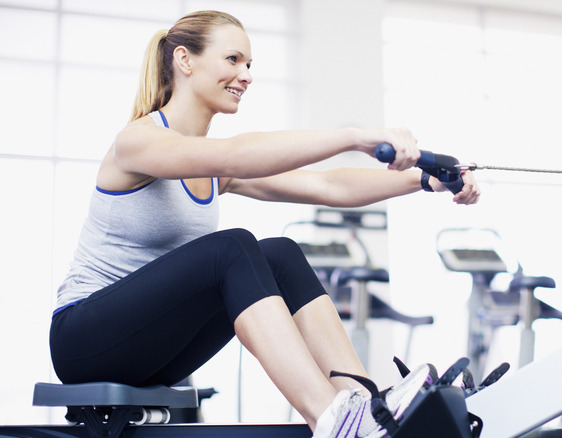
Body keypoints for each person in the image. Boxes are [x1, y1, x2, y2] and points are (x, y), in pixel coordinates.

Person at [48, 10, 480, 438]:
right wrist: (354, 136)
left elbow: (329, 186)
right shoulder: (137, 142)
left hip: (153, 350)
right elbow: (235, 153)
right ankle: (332, 417)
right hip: (83, 342)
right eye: (233, 60)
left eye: (249, 64)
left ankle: (364, 409)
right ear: (184, 60)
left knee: (280, 254)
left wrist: (424, 180)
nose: (246, 75)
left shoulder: (214, 167)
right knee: (231, 248)